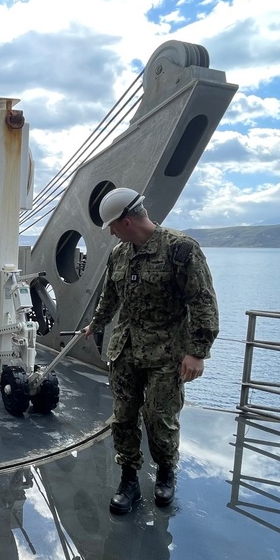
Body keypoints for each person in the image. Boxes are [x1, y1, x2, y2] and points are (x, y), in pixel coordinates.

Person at [81, 188, 218, 514]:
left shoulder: (181, 250)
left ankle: (166, 472)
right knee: (124, 417)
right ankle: (129, 479)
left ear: (127, 221)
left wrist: (197, 351)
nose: (111, 233)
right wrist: (96, 324)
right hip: (126, 350)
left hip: (167, 353)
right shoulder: (120, 254)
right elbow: (110, 296)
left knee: (160, 417)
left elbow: (203, 303)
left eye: (113, 226)